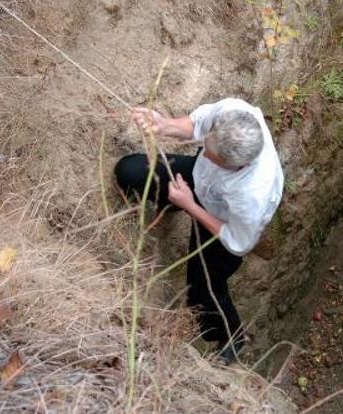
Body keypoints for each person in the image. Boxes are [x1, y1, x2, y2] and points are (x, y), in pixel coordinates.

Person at [114, 98, 284, 364]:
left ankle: (231, 337)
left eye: (212, 157)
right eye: (206, 147)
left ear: (238, 165)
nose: (204, 155)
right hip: (199, 184)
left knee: (202, 293)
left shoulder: (252, 196)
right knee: (130, 170)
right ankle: (169, 202)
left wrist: (190, 206)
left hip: (223, 222)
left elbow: (237, 241)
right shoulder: (233, 114)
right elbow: (195, 124)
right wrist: (164, 125)